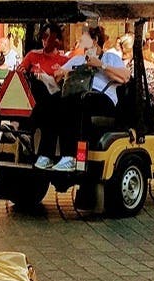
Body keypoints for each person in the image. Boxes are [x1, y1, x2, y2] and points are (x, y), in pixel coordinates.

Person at [34, 25, 128, 172]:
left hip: (101, 98)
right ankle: (46, 154)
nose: (81, 41)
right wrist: (65, 72)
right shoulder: (78, 59)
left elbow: (125, 77)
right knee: (52, 102)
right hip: (78, 96)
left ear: (95, 40)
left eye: (84, 38)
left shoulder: (110, 57)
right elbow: (58, 75)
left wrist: (101, 65)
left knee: (74, 102)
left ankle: (71, 156)